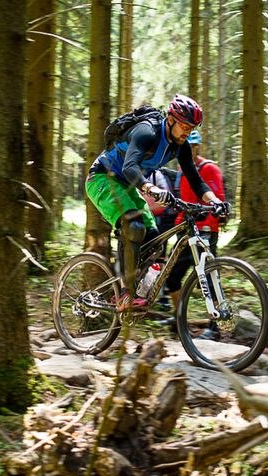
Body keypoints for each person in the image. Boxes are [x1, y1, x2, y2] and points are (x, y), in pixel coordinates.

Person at [86, 94, 227, 312]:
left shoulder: (181, 145)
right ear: (170, 118)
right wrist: (151, 188)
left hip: (127, 186)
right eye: (184, 126)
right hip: (103, 178)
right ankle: (126, 293)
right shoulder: (147, 132)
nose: (187, 132)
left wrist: (216, 201)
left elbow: (196, 181)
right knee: (133, 225)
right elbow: (130, 167)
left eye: (192, 128)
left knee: (154, 238)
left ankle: (139, 287)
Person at [160, 130, 227, 340]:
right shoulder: (182, 169)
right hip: (185, 231)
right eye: (190, 145)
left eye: (195, 145)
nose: (193, 149)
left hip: (205, 231)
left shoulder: (210, 169)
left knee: (208, 276)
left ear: (199, 147)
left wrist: (209, 222)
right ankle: (179, 317)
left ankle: (215, 326)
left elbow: (217, 199)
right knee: (172, 276)